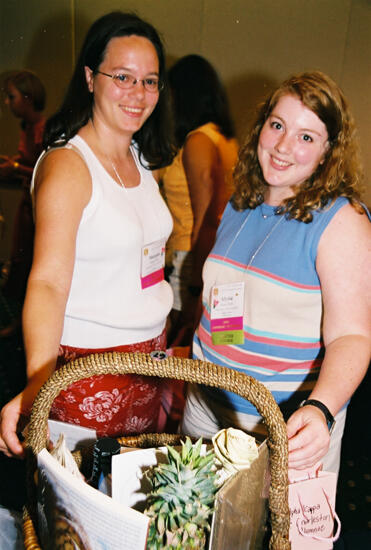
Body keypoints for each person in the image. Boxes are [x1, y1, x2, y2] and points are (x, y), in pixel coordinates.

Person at [0, 11, 175, 458]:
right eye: (123, 76)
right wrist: (39, 379)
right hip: (90, 371)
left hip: (148, 365)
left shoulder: (140, 156)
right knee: (86, 516)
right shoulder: (68, 165)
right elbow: (47, 282)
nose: (138, 94)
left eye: (150, 81)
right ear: (90, 78)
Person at [180, 71, 370, 475]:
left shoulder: (341, 221)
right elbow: (217, 298)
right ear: (262, 126)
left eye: (306, 137)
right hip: (203, 411)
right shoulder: (240, 204)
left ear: (327, 151)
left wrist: (321, 410)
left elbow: (352, 336)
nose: (283, 146)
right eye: (278, 125)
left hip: (282, 429)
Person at [162, 55, 238, 346]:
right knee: (209, 348)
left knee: (180, 350)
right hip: (218, 259)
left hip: (192, 259)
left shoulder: (199, 141)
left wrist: (196, 289)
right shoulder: (223, 138)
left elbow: (206, 219)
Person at [0, 71, 46, 316]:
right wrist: (13, 162)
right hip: (27, 203)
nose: (7, 103)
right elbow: (26, 159)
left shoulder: (42, 128)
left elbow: (44, 169)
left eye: (11, 97)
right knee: (20, 260)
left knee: (29, 262)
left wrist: (16, 167)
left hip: (38, 207)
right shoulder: (27, 127)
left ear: (28, 97)